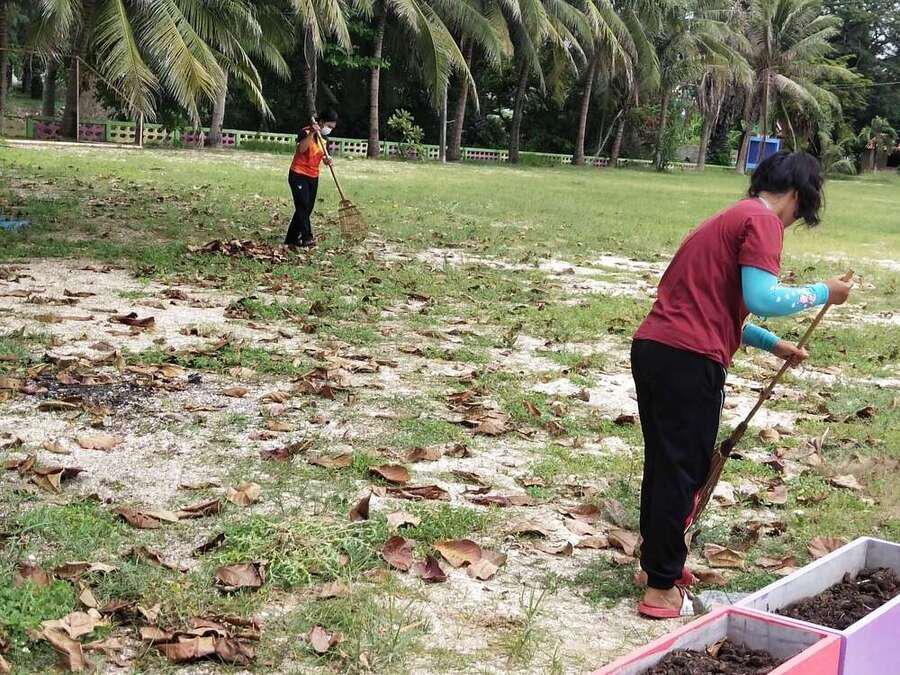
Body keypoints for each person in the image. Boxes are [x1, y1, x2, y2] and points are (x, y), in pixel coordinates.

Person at [630, 151, 853, 619]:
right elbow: (763, 298)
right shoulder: (763, 221)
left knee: (666, 463)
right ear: (799, 195)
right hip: (689, 359)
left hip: (655, 349)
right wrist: (824, 292)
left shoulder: (727, 218)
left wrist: (773, 345)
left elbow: (713, 305)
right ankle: (660, 589)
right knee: (682, 470)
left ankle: (656, 562)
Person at [284, 109, 338, 248]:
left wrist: (327, 160)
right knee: (302, 205)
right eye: (329, 126)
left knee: (307, 208)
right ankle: (307, 237)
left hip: (313, 176)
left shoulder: (324, 139)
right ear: (321, 122)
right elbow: (301, 149)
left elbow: (323, 156)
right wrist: (312, 133)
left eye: (332, 128)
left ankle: (291, 239)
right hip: (298, 174)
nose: (330, 130)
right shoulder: (305, 132)